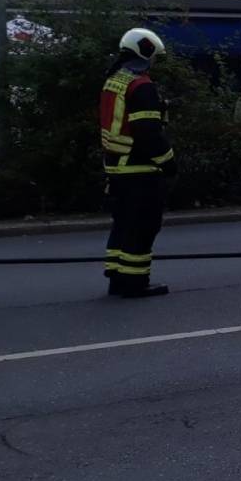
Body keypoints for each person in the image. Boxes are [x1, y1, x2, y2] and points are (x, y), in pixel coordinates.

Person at [100, 28, 177, 298]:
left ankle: (117, 276)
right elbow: (148, 132)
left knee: (123, 223)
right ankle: (135, 282)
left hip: (116, 167)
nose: (154, 62)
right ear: (145, 52)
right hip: (140, 168)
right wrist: (168, 162)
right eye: (154, 56)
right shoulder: (141, 85)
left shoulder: (115, 80)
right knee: (144, 226)